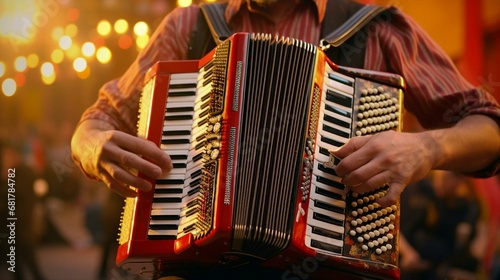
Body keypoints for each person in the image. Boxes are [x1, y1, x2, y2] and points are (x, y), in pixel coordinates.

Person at [70, 0, 500, 277]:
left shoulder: (377, 27)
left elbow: (490, 128)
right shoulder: (190, 24)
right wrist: (93, 148)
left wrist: (427, 148)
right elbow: (98, 122)